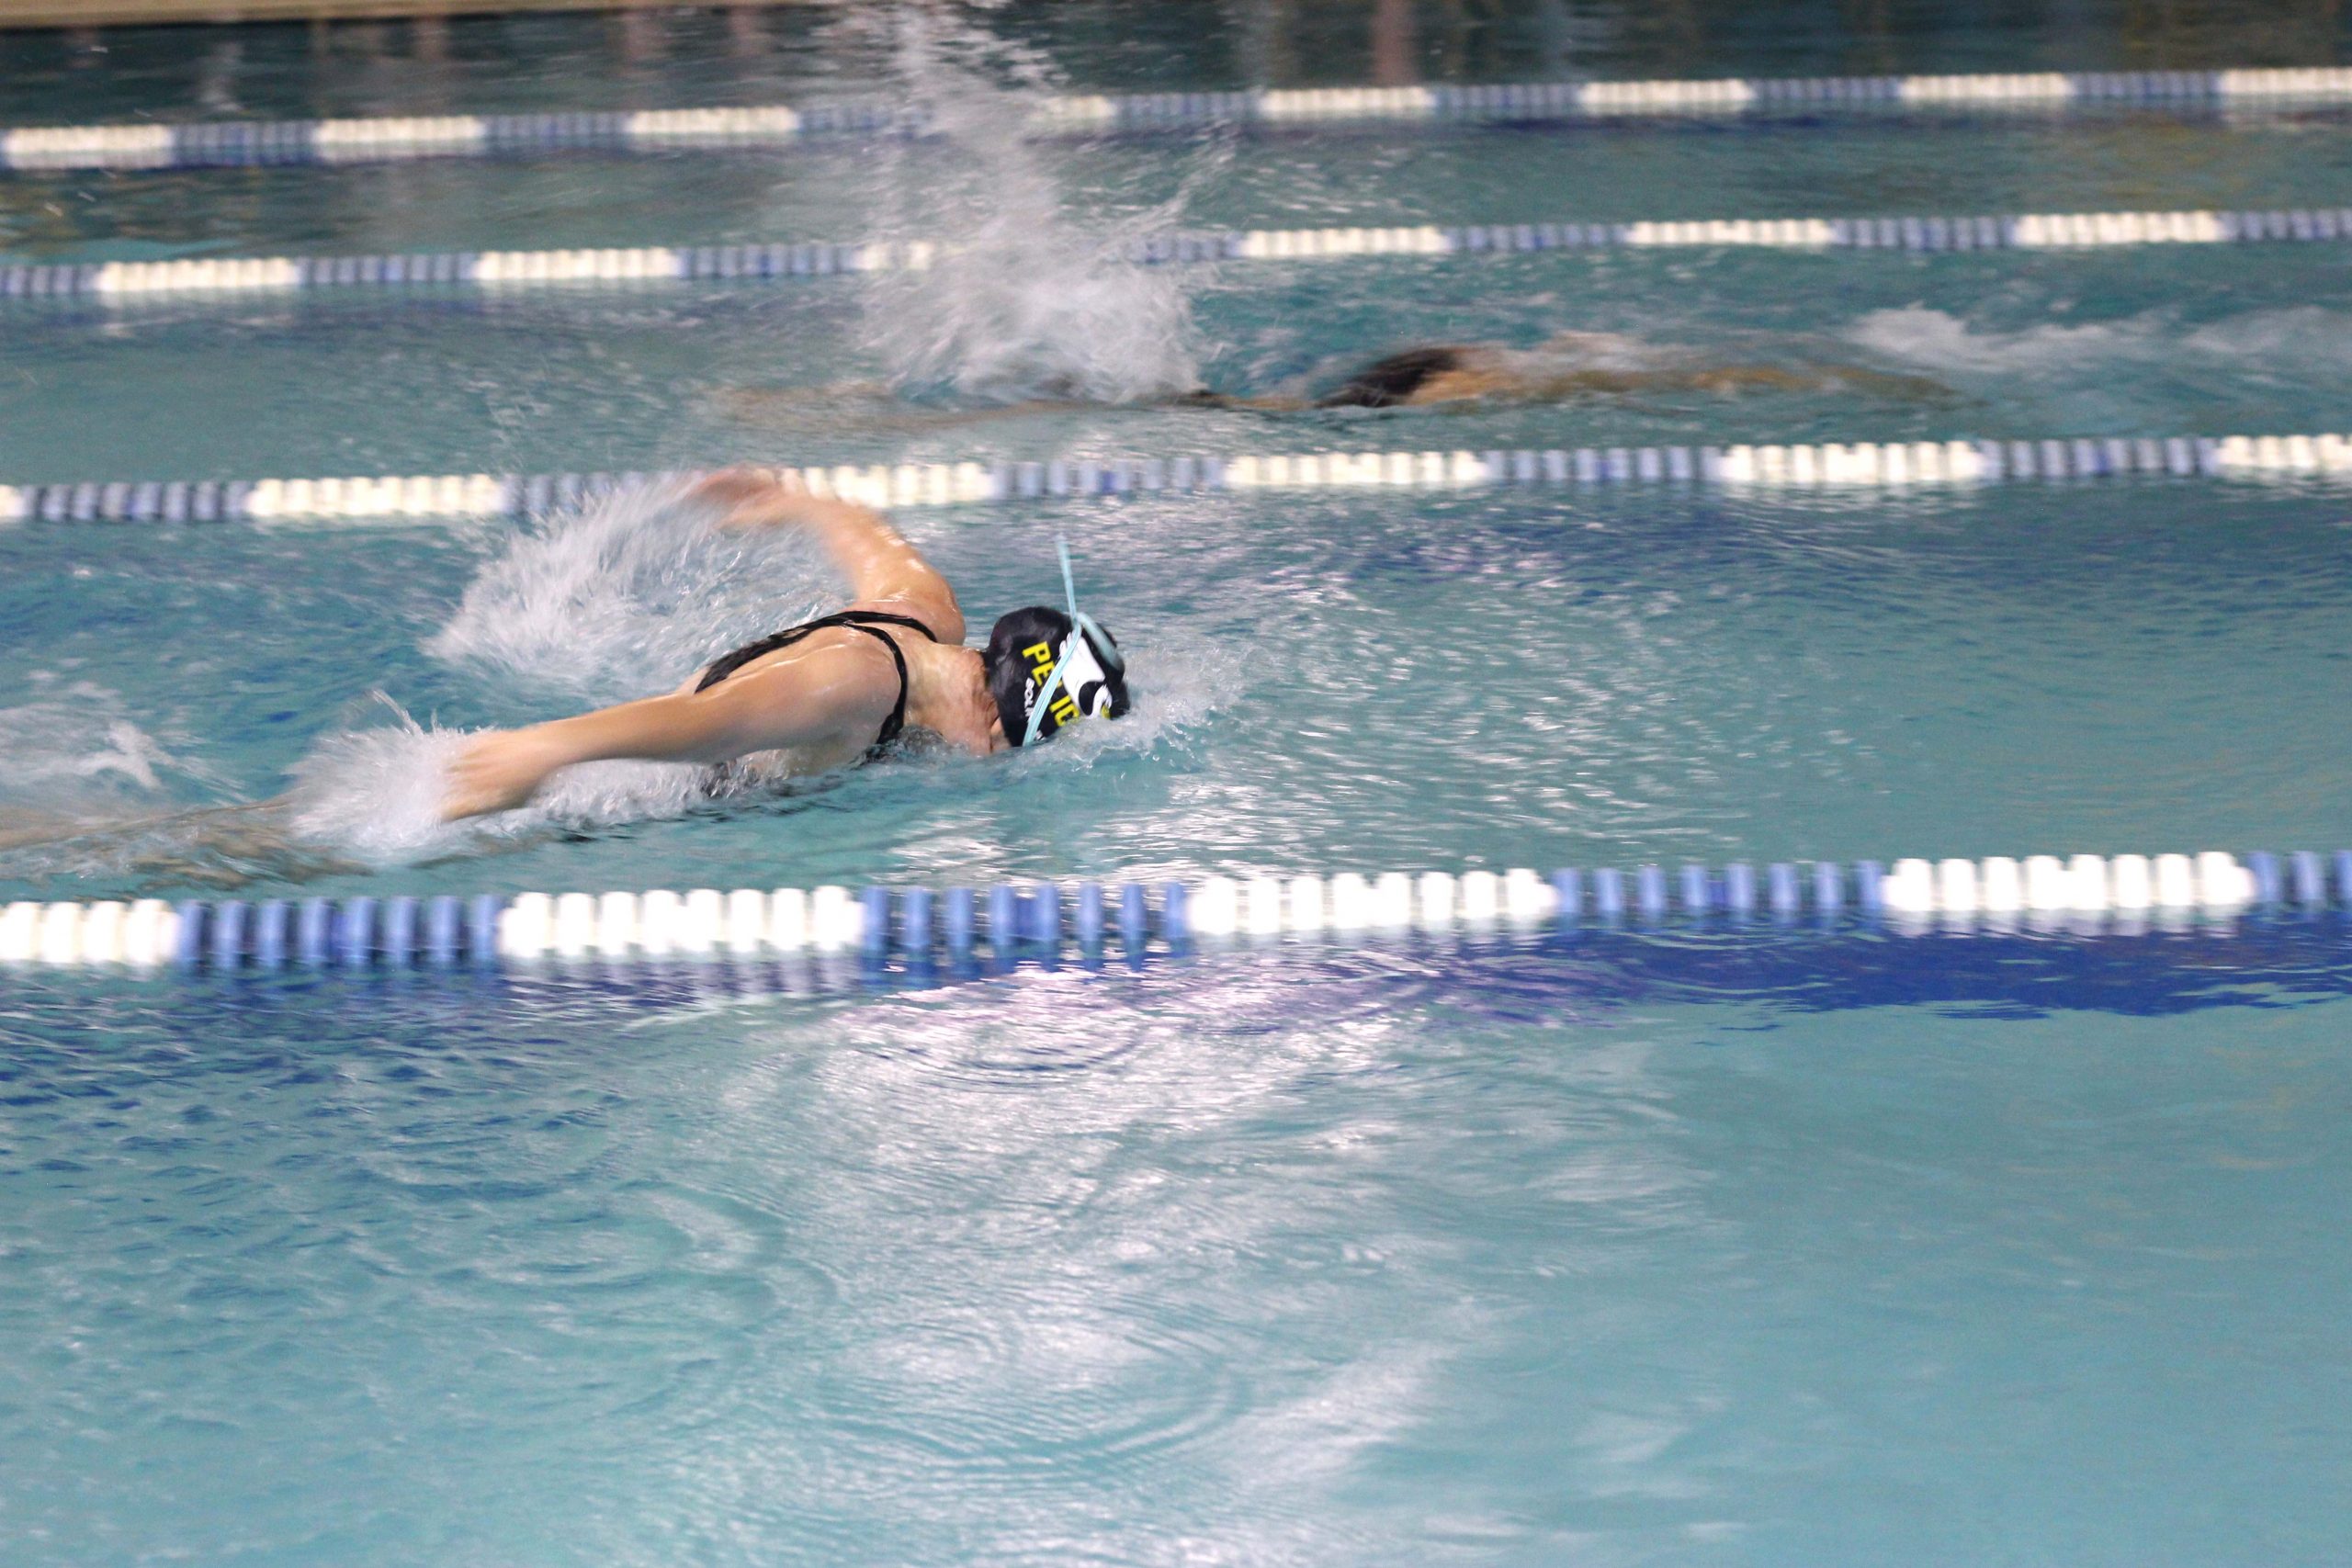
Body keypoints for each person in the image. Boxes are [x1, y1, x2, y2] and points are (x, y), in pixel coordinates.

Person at [436, 468, 1128, 821]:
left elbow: (858, 526)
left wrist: (792, 498)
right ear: (991, 717)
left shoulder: (928, 615)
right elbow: (708, 725)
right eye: (1012, 751)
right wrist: (541, 751)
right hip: (590, 795)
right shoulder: (858, 684)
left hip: (595, 768)